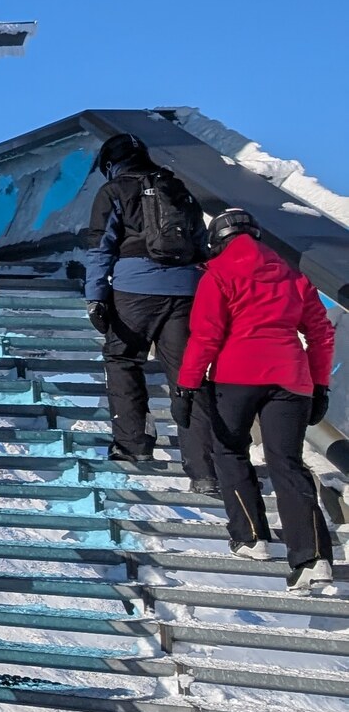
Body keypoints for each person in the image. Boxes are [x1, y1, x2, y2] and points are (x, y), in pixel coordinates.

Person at [180, 208, 338, 590]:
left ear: (217, 241)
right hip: (290, 379)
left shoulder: (217, 274)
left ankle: (251, 538)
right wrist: (320, 385)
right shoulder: (293, 275)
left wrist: (187, 385)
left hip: (235, 377)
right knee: (288, 463)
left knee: (229, 450)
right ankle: (313, 558)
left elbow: (206, 336)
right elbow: (321, 333)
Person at [84, 132, 213, 481]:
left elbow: (101, 246)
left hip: (134, 291)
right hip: (185, 291)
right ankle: (204, 470)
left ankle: (133, 444)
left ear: (111, 163)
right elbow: (202, 243)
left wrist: (96, 296)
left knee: (123, 359)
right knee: (188, 375)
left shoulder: (113, 190)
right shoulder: (176, 187)